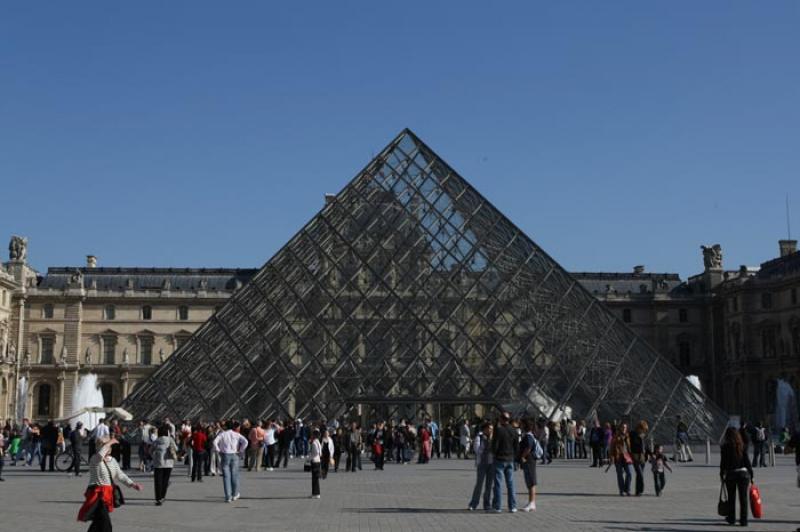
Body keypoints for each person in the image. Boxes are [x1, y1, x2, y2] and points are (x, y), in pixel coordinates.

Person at [77, 436, 143, 532]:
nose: (108, 447)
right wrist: (110, 442)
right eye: (104, 445)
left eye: (109, 445)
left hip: (108, 494)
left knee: (98, 523)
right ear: (98, 447)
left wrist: (132, 484)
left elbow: (120, 475)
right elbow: (100, 455)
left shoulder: (112, 460)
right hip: (97, 495)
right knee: (105, 523)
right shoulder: (95, 458)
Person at [720, 426, 754, 527]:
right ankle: (744, 521)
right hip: (743, 474)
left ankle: (731, 518)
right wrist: (752, 475)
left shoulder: (725, 447)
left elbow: (723, 463)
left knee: (731, 497)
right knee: (743, 499)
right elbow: (747, 462)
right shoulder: (741, 445)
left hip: (731, 474)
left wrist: (721, 473)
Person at [213, 420, 249, 503]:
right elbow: (245, 442)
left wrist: (218, 450)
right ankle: (234, 494)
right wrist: (240, 450)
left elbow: (214, 442)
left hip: (225, 455)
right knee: (234, 475)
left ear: (225, 427)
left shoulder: (222, 434)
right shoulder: (236, 434)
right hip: (234, 454)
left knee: (226, 476)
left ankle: (228, 496)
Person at [491, 412, 517, 513]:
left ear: (501, 419)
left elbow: (495, 445)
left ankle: (498, 507)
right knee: (510, 484)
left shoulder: (499, 430)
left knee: (498, 483)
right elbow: (516, 445)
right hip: (510, 459)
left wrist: (494, 453)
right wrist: (515, 456)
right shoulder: (513, 430)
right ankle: (512, 506)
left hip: (500, 459)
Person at [468, 422, 494, 511]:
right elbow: (477, 450)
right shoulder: (479, 437)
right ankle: (473, 503)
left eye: (492, 428)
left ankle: (487, 504)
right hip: (482, 463)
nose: (491, 430)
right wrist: (487, 443)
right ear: (485, 429)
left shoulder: (493, 438)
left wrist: (490, 441)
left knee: (489, 485)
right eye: (489, 428)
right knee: (479, 484)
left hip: (491, 463)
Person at [518, 419, 541, 512]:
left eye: (522, 424)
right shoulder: (530, 435)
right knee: (530, 481)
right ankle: (531, 502)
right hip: (530, 460)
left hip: (529, 460)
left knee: (531, 481)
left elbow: (528, 447)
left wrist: (523, 456)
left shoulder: (528, 436)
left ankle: (532, 502)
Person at [151, 425, 178, 506]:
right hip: (169, 463)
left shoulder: (156, 440)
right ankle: (163, 496)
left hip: (158, 463)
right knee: (165, 480)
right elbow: (176, 449)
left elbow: (150, 450)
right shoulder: (170, 440)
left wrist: (154, 457)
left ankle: (158, 498)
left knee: (158, 481)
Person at [607, 423, 633, 496]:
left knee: (629, 473)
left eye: (625, 427)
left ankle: (627, 489)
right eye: (623, 427)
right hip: (618, 457)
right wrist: (611, 457)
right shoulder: (615, 437)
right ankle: (621, 490)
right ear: (620, 428)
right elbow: (611, 448)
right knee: (620, 474)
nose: (624, 428)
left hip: (627, 457)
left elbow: (631, 447)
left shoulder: (628, 436)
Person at [630, 420, 649, 496]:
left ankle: (637, 491)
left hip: (642, 457)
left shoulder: (644, 435)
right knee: (640, 474)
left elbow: (646, 447)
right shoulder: (632, 434)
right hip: (635, 456)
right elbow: (631, 445)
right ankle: (641, 489)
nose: (644, 431)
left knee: (639, 475)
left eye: (645, 430)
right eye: (643, 429)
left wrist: (649, 454)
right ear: (639, 428)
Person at [308, 429, 322, 499]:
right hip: (318, 461)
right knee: (315, 478)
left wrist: (309, 458)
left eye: (312, 434)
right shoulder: (318, 442)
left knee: (315, 479)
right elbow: (320, 452)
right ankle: (315, 493)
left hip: (314, 461)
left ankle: (316, 493)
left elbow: (316, 452)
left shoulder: (314, 443)